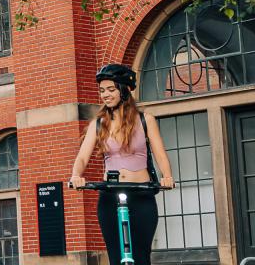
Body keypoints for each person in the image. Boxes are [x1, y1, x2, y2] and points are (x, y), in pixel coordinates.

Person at [69, 63, 176, 265]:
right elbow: (83, 157)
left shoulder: (146, 120)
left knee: (141, 256)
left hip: (141, 193)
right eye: (102, 91)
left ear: (124, 90)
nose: (105, 95)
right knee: (116, 257)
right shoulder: (99, 124)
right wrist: (76, 175)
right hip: (110, 195)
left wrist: (167, 176)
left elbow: (161, 155)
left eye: (111, 89)